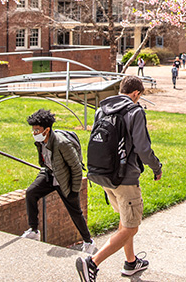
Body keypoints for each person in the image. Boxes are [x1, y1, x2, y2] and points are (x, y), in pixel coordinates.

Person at [76, 76, 163, 281]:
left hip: (104, 174)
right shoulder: (134, 112)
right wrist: (156, 167)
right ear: (136, 93)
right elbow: (143, 148)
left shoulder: (102, 109)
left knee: (125, 222)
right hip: (125, 178)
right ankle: (92, 263)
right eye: (139, 96)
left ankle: (131, 262)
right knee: (131, 227)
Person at [21, 109, 95, 253]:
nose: (34, 133)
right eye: (33, 130)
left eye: (37, 130)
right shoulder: (41, 141)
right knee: (31, 193)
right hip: (49, 174)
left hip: (64, 180)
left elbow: (76, 168)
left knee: (75, 212)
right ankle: (34, 230)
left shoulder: (62, 143)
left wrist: (74, 190)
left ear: (47, 130)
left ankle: (88, 242)